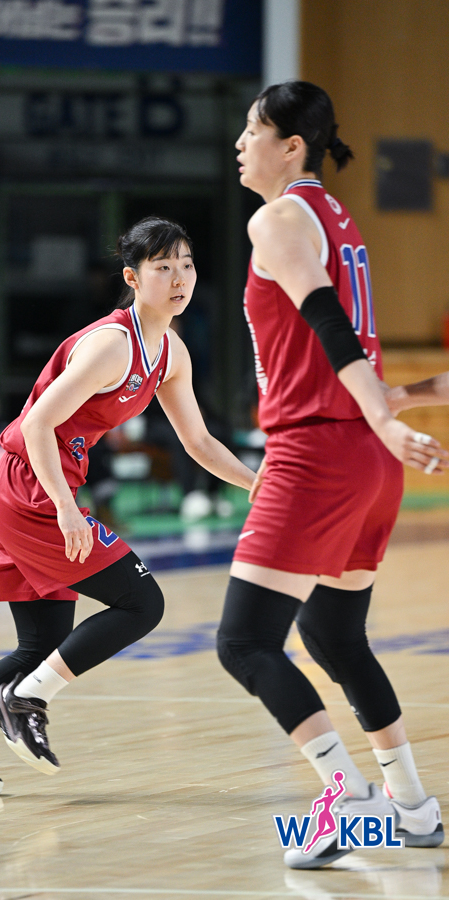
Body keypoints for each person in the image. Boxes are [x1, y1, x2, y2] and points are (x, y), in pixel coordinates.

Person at [0, 217, 257, 797]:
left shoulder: (170, 353)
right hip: (32, 491)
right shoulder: (112, 344)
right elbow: (37, 423)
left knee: (40, 647)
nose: (179, 279)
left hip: (31, 491)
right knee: (142, 602)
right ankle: (26, 700)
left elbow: (199, 443)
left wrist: (257, 485)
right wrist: (64, 506)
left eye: (186, 265)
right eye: (163, 267)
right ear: (132, 278)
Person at [215, 81, 446, 870]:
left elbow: (328, 323)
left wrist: (385, 415)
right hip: (365, 459)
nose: (239, 143)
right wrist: (400, 405)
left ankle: (347, 800)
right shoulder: (338, 218)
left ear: (291, 145)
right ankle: (411, 807)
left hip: (319, 450)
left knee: (245, 641)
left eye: (251, 130)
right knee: (333, 635)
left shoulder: (279, 219)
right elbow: (342, 345)